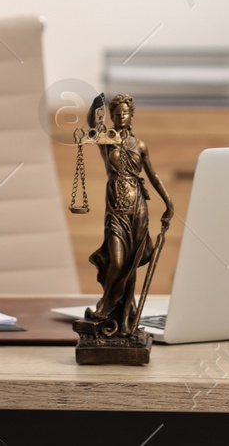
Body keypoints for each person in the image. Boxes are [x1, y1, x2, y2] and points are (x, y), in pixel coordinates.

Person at [85, 95, 173, 337]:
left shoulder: (140, 145)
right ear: (111, 117)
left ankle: (125, 321)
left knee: (132, 265)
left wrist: (169, 203)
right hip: (115, 209)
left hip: (138, 210)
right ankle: (107, 304)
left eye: (125, 113)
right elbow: (93, 127)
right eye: (116, 114)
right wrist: (94, 108)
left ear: (132, 115)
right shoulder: (106, 142)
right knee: (117, 260)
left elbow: (153, 176)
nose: (121, 117)